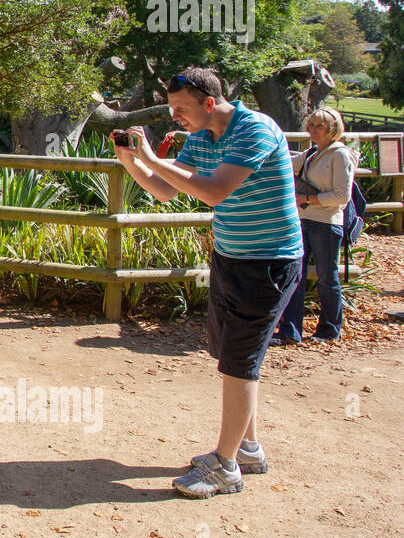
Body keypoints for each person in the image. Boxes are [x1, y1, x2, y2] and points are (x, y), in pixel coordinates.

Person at [112, 67, 302, 498]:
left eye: (181, 108)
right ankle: (248, 449)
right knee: (231, 358)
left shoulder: (256, 129)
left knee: (239, 363)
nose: (175, 116)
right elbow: (166, 190)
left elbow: (215, 192)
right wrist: (133, 161)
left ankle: (226, 467)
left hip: (269, 263)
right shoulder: (200, 137)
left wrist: (153, 158)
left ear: (209, 103)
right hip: (230, 258)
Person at [274, 108, 358, 344]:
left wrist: (308, 199)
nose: (313, 130)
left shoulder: (339, 155)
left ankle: (329, 329)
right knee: (295, 276)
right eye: (311, 125)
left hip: (326, 223)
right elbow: (286, 163)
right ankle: (290, 331)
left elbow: (342, 196)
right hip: (304, 220)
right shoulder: (312, 153)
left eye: (319, 126)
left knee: (327, 278)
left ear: (333, 128)